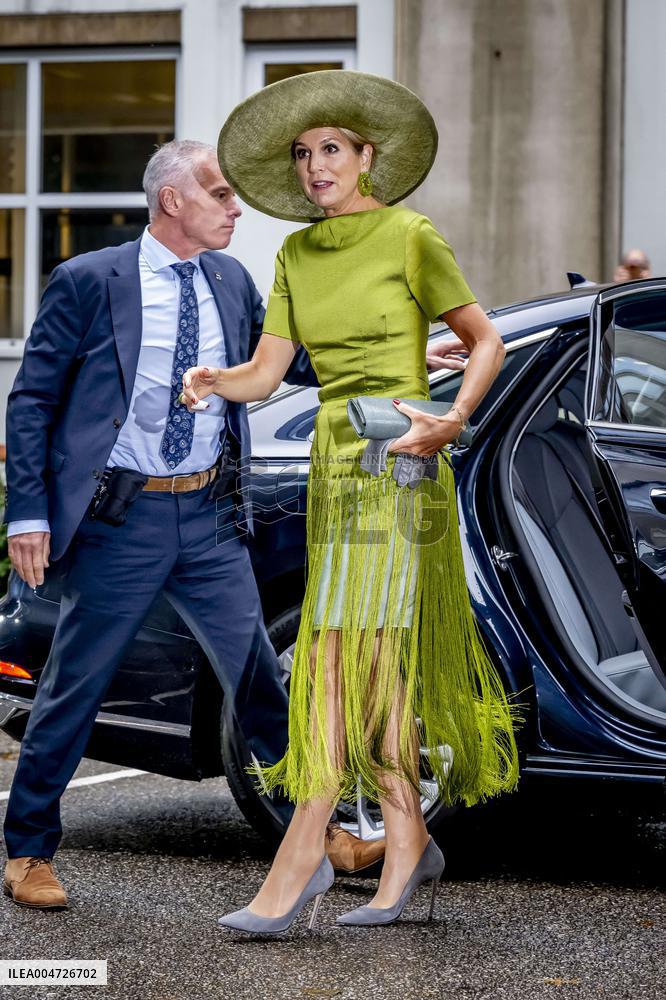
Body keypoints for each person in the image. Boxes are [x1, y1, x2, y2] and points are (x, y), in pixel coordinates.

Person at [181, 71, 521, 935]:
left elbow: (487, 341)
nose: (314, 166)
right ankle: (407, 844)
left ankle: (301, 857)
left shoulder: (411, 235)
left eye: (330, 148)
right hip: (337, 462)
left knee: (335, 656)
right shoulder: (295, 254)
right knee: (368, 666)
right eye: (302, 153)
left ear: (368, 156)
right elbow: (266, 374)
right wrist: (213, 380)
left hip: (401, 462)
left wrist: (450, 424)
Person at [2, 139, 328, 910]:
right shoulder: (89, 280)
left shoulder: (230, 278)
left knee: (257, 677)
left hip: (209, 513)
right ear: (173, 200)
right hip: (123, 518)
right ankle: (27, 851)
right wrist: (28, 513)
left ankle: (313, 827)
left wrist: (402, 356)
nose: (235, 207)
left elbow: (291, 363)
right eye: (220, 194)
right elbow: (34, 401)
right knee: (75, 686)